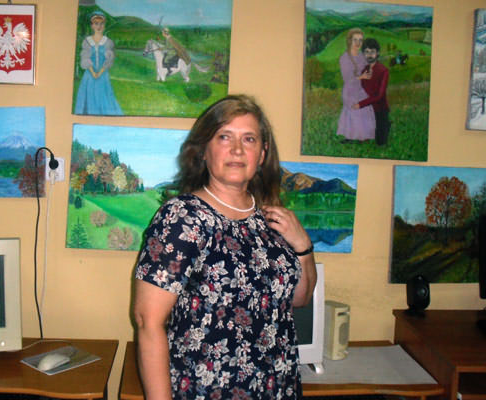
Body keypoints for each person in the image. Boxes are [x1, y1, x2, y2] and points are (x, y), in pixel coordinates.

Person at [132, 94, 317, 399]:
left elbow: (300, 298)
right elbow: (147, 322)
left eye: (249, 139)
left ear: (262, 154)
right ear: (204, 151)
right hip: (207, 390)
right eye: (224, 137)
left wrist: (303, 247)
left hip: (277, 388)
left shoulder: (271, 218)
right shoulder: (181, 217)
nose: (237, 149)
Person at [74, 11, 123, 116]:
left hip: (102, 74)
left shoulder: (107, 42)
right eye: (96, 23)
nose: (99, 26)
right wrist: (93, 72)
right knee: (89, 96)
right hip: (89, 75)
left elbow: (109, 60)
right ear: (92, 25)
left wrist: (100, 72)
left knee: (103, 96)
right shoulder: (87, 41)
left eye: (101, 24)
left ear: (104, 25)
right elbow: (85, 57)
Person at [336, 28, 375, 143]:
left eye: (360, 40)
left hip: (361, 89)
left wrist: (370, 72)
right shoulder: (345, 58)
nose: (358, 43)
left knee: (364, 109)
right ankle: (351, 136)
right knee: (353, 112)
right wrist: (361, 77)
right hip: (350, 90)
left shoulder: (362, 56)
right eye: (355, 40)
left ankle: (363, 136)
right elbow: (347, 79)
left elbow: (368, 68)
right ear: (350, 41)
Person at [354, 38, 391, 146]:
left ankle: (385, 125)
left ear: (378, 53)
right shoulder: (364, 70)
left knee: (380, 142)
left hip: (379, 109)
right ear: (363, 54)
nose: (369, 55)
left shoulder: (383, 70)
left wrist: (361, 104)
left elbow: (379, 95)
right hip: (366, 109)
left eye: (372, 52)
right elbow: (359, 88)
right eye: (366, 52)